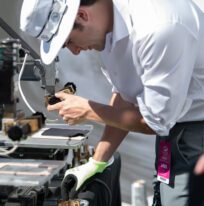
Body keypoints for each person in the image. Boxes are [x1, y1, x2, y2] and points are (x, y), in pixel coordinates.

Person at [19, 0, 204, 205]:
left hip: (196, 128)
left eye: (69, 41)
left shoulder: (158, 29)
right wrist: (97, 161)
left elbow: (155, 121)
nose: (74, 51)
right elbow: (126, 99)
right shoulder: (109, 29)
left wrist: (87, 109)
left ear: (82, 16)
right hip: (173, 128)